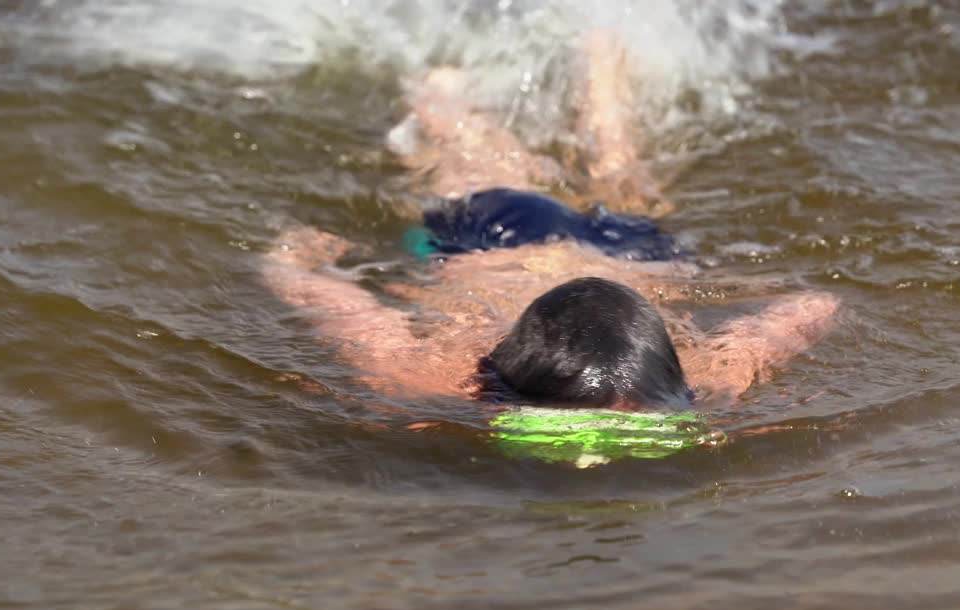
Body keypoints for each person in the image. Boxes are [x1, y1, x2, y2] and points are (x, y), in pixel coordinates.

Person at [261, 33, 838, 411]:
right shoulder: (429, 375)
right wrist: (293, 268)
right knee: (483, 159)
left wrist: (295, 262)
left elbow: (808, 309)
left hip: (633, 257)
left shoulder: (710, 376)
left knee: (625, 184)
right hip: (509, 234)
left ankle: (593, 93)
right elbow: (813, 306)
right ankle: (445, 98)